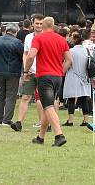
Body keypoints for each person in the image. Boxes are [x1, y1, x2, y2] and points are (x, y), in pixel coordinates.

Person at [24, 17, 71, 147]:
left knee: (49, 107)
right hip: (58, 77)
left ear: (42, 26)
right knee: (47, 105)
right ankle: (40, 137)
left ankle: (59, 135)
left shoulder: (38, 38)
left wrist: (26, 70)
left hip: (44, 76)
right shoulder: (62, 39)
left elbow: (31, 55)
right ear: (53, 25)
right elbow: (69, 60)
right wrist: (61, 71)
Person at [12, 14, 45, 132]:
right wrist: (26, 68)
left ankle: (43, 123)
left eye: (41, 23)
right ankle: (19, 122)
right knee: (25, 96)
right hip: (29, 71)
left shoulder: (46, 37)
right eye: (37, 23)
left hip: (43, 72)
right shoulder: (28, 37)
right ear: (32, 24)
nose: (39, 26)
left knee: (41, 99)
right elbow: (26, 53)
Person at [0, 25, 23, 126]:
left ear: (6, 31)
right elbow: (22, 57)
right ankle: (7, 119)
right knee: (11, 96)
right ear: (16, 32)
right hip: (12, 72)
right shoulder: (17, 43)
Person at [63, 31, 92, 127]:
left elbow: (67, 62)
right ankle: (85, 120)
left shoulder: (71, 51)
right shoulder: (87, 51)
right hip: (84, 77)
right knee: (84, 98)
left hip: (72, 75)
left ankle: (70, 120)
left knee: (71, 98)